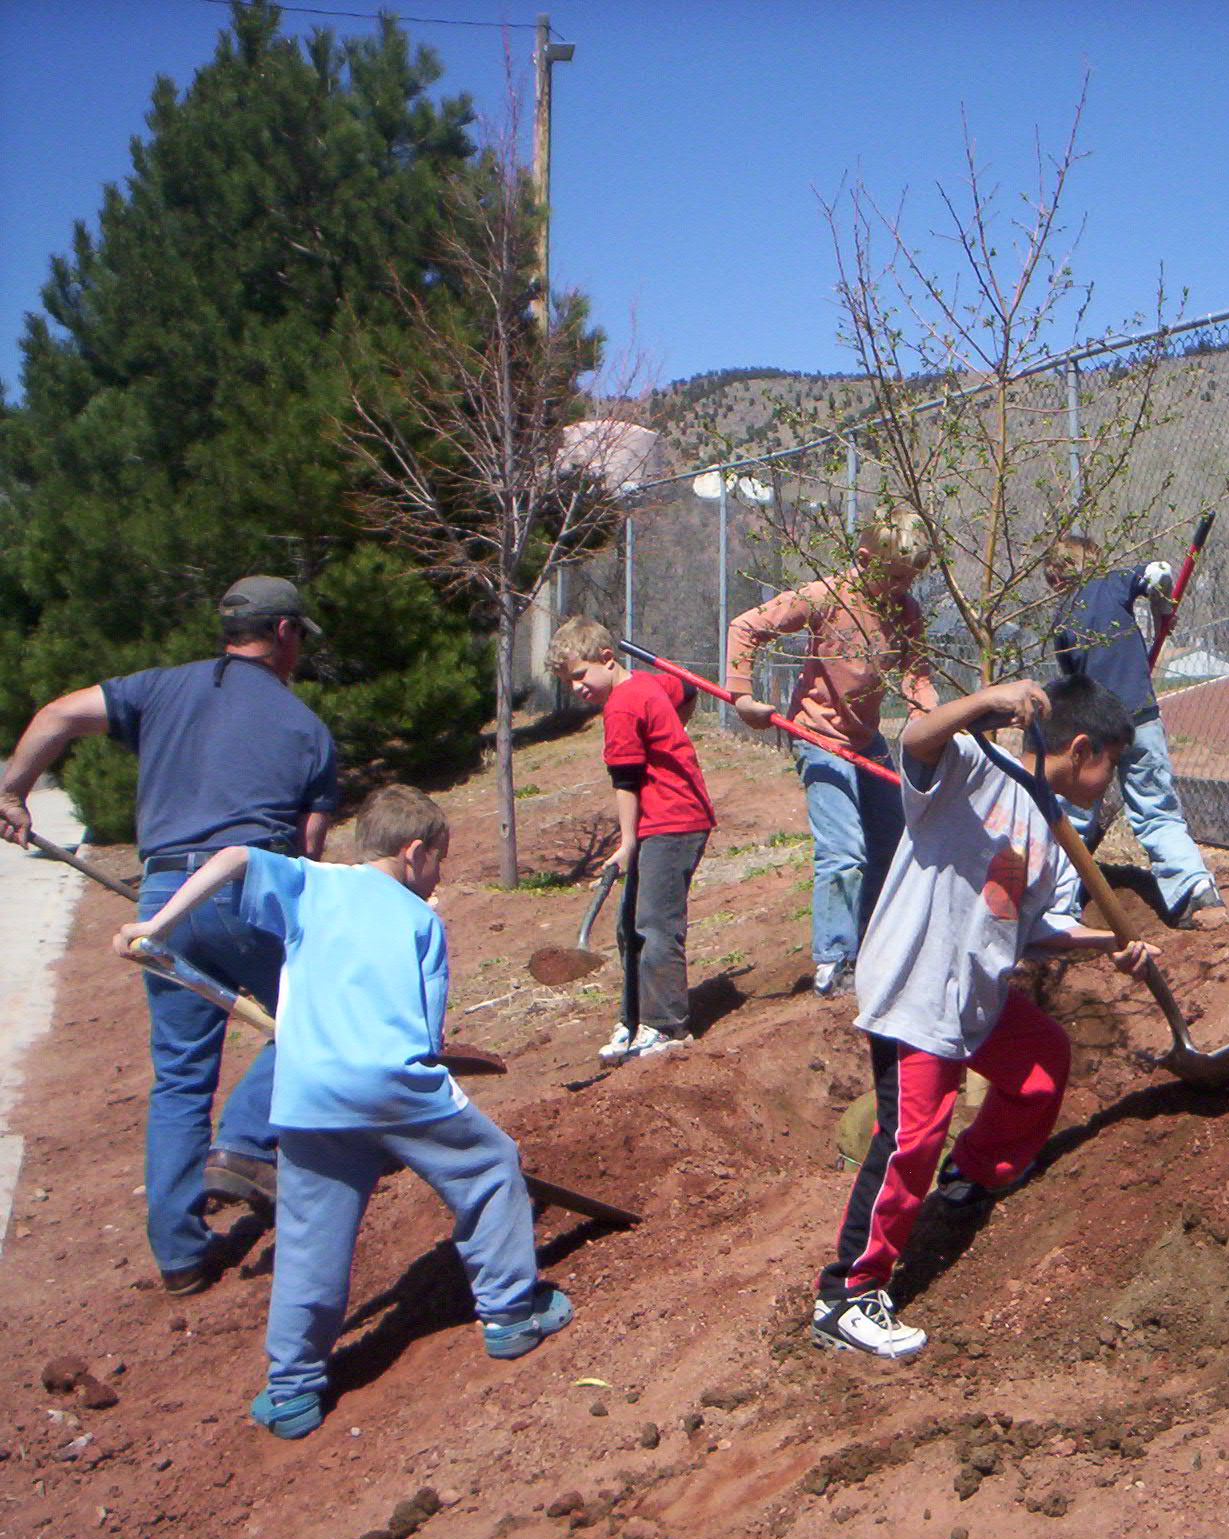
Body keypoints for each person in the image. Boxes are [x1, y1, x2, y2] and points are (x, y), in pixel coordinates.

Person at [113, 786, 573, 1438]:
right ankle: (509, 1316)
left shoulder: (310, 885)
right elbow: (428, 1031)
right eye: (439, 862)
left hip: (306, 1094)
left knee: (308, 1237)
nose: (439, 877)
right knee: (492, 1166)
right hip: (394, 1083)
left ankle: (292, 1389)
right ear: (414, 854)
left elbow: (235, 857)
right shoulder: (422, 920)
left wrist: (156, 926)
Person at [0, 576, 338, 1294]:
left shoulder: (158, 689)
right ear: (282, 634)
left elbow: (58, 713)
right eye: (298, 637)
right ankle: (247, 1143)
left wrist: (11, 790)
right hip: (250, 889)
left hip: (165, 901)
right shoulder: (306, 727)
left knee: (182, 1075)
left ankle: (181, 1256)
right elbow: (308, 852)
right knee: (320, 1011)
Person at [810, 674, 1157, 1358]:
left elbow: (1040, 929)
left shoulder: (1055, 834)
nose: (1109, 782)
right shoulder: (973, 767)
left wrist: (1109, 943)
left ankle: (974, 1175)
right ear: (1082, 748)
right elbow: (915, 736)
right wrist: (988, 701)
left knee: (1040, 1063)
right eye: (1110, 765)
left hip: (973, 998)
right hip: (917, 988)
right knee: (911, 1137)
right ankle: (848, 1294)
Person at [726, 506, 940, 996]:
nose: (902, 587)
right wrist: (741, 695)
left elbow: (917, 672)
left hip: (867, 742)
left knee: (891, 844)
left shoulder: (904, 611)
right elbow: (746, 627)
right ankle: (834, 961)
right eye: (894, 576)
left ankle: (871, 949)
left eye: (911, 577)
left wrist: (927, 715)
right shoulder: (826, 595)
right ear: (865, 560)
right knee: (845, 851)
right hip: (819, 738)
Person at [549, 617, 717, 1064]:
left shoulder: (623, 706)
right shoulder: (645, 685)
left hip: (672, 821)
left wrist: (626, 843)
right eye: (569, 682)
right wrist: (669, 734)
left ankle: (666, 1028)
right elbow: (687, 688)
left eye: (581, 676)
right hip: (665, 819)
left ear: (607, 658)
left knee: (655, 926)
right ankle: (633, 1020)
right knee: (629, 927)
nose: (577, 688)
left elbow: (626, 779)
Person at [1043, 532, 1226, 927]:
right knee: (1156, 808)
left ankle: (1056, 906)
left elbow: (1074, 686)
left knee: (1072, 815)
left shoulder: (1062, 619)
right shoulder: (1116, 583)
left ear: (1059, 576)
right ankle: (1195, 891)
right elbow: (1159, 572)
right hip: (1140, 720)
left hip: (1092, 731)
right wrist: (1161, 610)